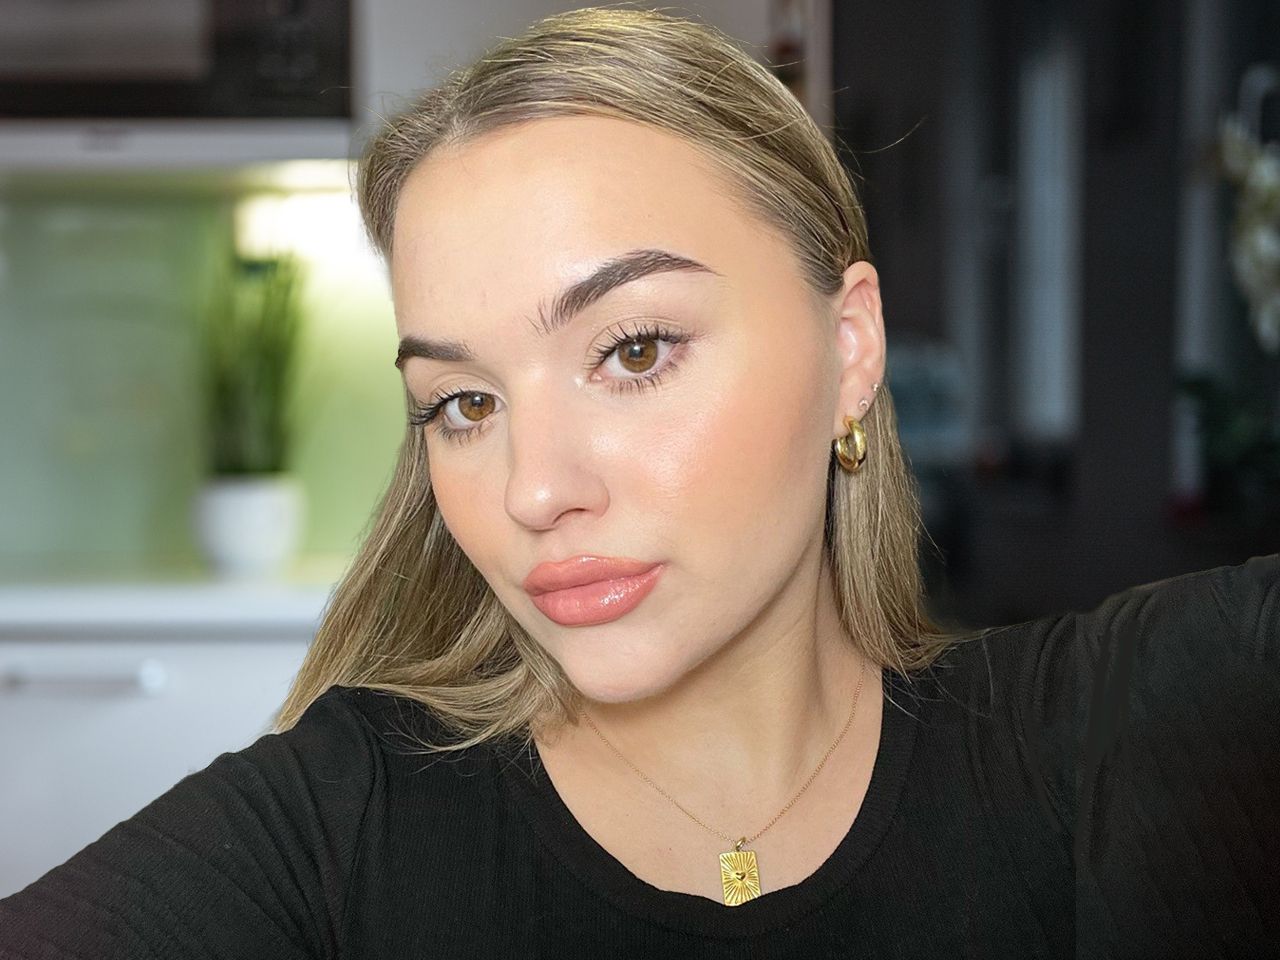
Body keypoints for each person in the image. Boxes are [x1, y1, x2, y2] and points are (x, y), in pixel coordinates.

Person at [1, 6, 1277, 958]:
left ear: (849, 350)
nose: (533, 491)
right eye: (464, 404)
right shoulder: (330, 831)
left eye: (633, 350)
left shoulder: (1121, 740)